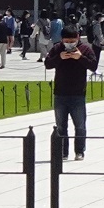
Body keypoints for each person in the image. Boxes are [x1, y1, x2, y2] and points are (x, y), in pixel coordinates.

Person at [43, 24, 98, 161]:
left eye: (71, 41)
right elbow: (48, 64)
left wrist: (80, 57)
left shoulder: (85, 49)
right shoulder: (57, 48)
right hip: (60, 93)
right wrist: (59, 57)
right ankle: (63, 152)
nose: (69, 44)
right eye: (66, 41)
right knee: (61, 126)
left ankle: (79, 151)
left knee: (80, 125)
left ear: (78, 38)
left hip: (78, 93)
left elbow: (93, 66)